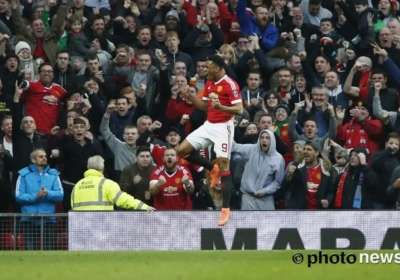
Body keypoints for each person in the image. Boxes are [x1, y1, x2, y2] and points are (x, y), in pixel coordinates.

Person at [177, 55, 243, 226]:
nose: (205, 70)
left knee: (224, 167)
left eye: (209, 67)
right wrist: (190, 97)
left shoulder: (230, 84)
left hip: (224, 127)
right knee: (181, 151)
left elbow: (240, 109)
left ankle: (225, 210)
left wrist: (223, 107)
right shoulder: (209, 83)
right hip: (209, 125)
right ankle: (211, 168)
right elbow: (204, 106)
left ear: (219, 68)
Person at [15, 149, 63, 250]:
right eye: (41, 156)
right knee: (30, 250)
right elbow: (19, 196)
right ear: (33, 160)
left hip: (48, 218)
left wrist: (47, 193)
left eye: (45, 156)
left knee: (48, 250)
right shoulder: (23, 175)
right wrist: (35, 196)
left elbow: (60, 195)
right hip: (29, 218)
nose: (44, 158)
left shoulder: (54, 175)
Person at [71, 155, 155, 211]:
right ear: (103, 167)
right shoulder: (107, 184)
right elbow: (123, 200)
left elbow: (72, 205)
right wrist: (143, 206)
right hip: (101, 225)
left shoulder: (77, 185)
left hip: (81, 228)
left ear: (88, 167)